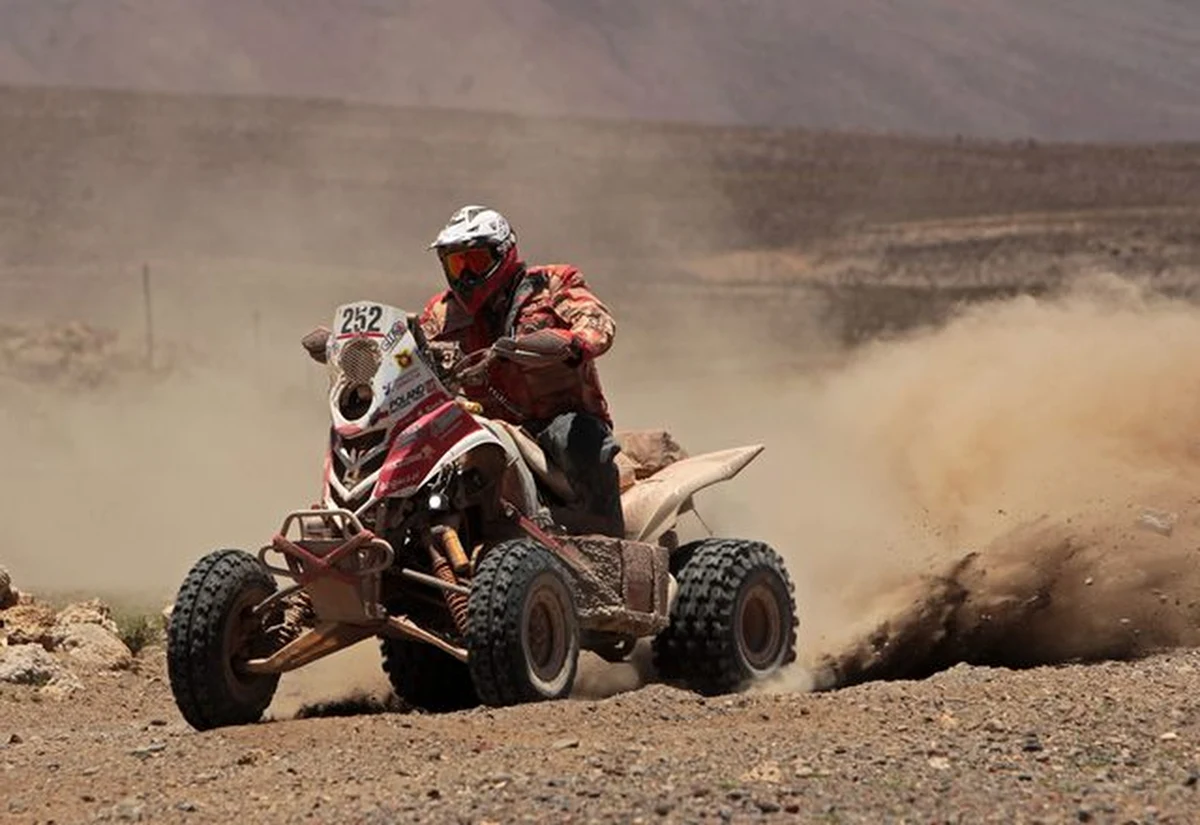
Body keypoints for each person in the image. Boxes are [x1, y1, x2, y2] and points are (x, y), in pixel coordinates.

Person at [418, 205, 625, 537]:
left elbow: (595, 318)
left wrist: (576, 341)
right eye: (457, 264)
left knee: (581, 440)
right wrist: (364, 351)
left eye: (476, 261)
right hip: (479, 421)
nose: (466, 276)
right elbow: (409, 350)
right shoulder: (441, 312)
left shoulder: (552, 283)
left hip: (553, 420)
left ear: (504, 254)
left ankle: (609, 537)